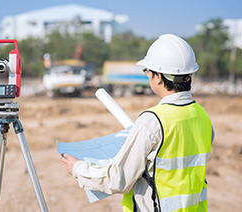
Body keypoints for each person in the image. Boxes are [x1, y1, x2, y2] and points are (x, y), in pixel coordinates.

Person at [61, 34, 214, 212]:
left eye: (147, 71)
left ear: (158, 76)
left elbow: (119, 179)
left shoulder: (152, 122)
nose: (148, 76)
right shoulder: (203, 117)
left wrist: (78, 169)